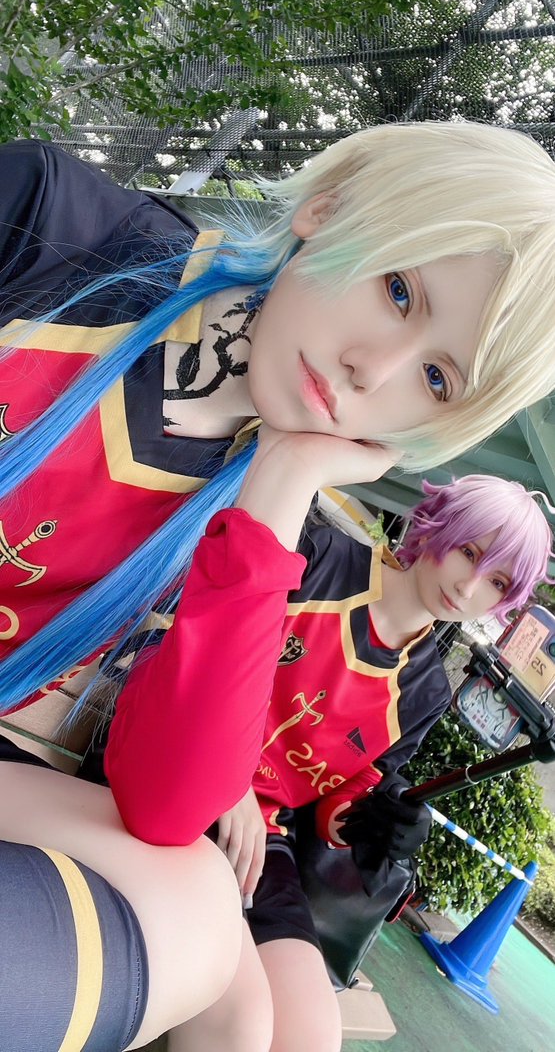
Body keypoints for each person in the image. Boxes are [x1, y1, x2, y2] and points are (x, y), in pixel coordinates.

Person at [0, 120, 554, 1049]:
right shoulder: (54, 225)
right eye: (397, 289)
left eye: (434, 377)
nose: (372, 370)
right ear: (329, 209)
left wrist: (283, 483)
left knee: (215, 938)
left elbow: (182, 807)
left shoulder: (265, 530)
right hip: (123, 779)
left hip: (238, 841)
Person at [174, 475, 552, 1052]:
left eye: (496, 582)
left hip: (264, 842)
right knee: (239, 1024)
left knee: (312, 1035)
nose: (469, 585)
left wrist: (378, 822)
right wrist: (228, 780)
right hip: (182, 769)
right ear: (439, 525)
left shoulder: (425, 690)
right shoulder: (320, 557)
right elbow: (202, 642)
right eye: (469, 551)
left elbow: (345, 793)